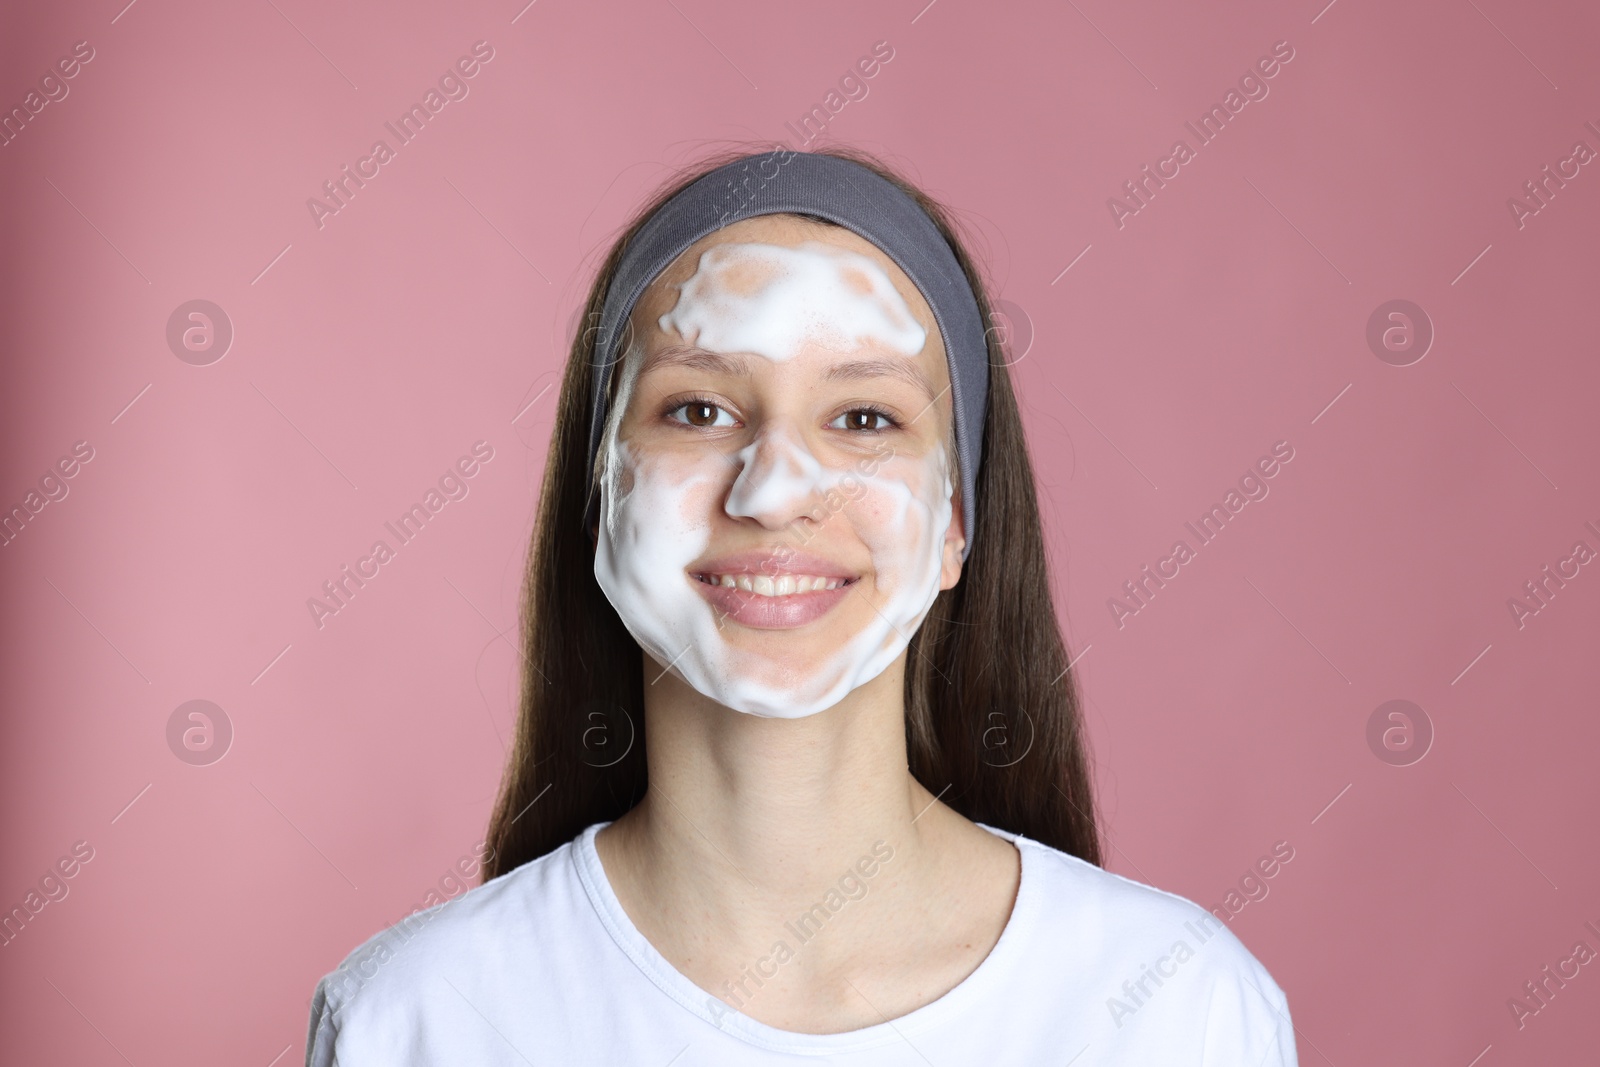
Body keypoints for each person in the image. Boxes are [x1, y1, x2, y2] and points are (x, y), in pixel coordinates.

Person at [303, 146, 1298, 1065]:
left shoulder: (1176, 1008)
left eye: (863, 416)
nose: (774, 491)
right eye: (697, 409)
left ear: (956, 522)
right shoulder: (414, 1016)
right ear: (599, 492)